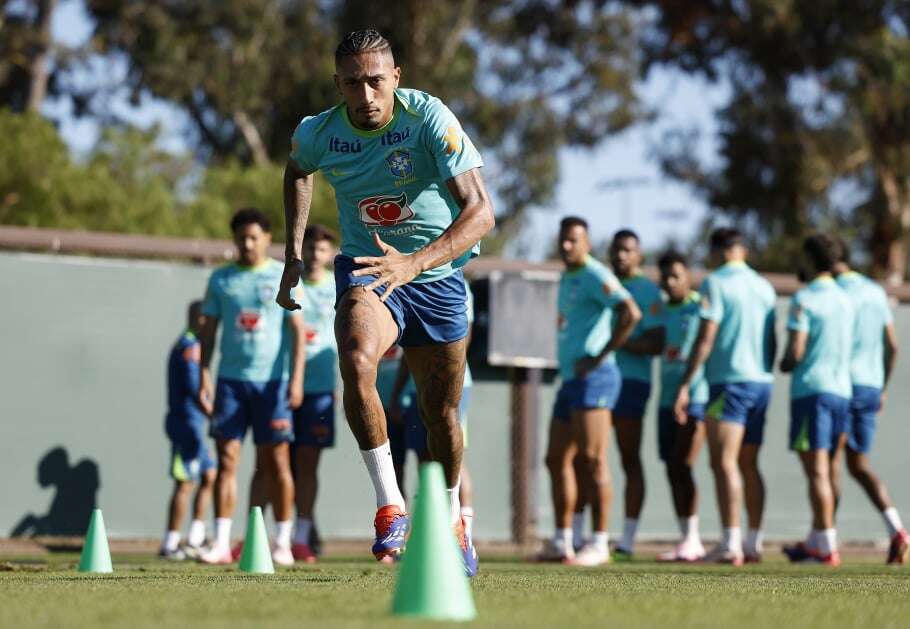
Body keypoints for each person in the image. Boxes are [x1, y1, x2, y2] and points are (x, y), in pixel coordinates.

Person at [276, 29, 495, 576]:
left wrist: (415, 262)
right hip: (369, 269)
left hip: (438, 277)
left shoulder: (429, 120)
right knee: (355, 357)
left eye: (377, 81)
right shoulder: (319, 133)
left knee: (439, 413)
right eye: (354, 83)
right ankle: (390, 506)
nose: (367, 95)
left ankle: (449, 519)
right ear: (338, 85)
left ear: (396, 77)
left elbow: (482, 213)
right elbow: (298, 171)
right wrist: (293, 255)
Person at [198, 208, 305, 567]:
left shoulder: (282, 276)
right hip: (230, 383)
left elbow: (297, 334)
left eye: (254, 237)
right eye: (241, 237)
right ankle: (222, 543)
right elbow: (208, 334)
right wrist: (204, 376)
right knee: (227, 462)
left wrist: (296, 380)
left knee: (278, 464)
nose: (247, 243)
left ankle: (283, 543)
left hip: (273, 386)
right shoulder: (221, 279)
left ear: (267, 239)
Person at [540, 216, 641, 566]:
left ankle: (599, 543)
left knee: (595, 460)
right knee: (556, 459)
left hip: (596, 379)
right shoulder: (568, 277)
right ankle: (563, 540)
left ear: (587, 243)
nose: (566, 246)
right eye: (563, 240)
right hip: (570, 381)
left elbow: (631, 312)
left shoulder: (597, 274)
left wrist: (600, 356)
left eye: (573, 240)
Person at [673, 228, 776, 565]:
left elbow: (705, 338)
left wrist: (686, 383)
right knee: (749, 463)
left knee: (724, 462)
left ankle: (730, 543)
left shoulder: (715, 283)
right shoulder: (764, 286)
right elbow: (771, 340)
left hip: (728, 383)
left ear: (718, 251)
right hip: (761, 383)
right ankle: (753, 542)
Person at [624, 251, 708, 562]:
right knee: (672, 468)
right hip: (666, 399)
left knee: (684, 464)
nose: (670, 282)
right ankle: (686, 538)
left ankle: (694, 537)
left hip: (695, 397)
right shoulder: (660, 310)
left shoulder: (700, 307)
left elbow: (706, 346)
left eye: (676, 276)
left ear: (688, 276)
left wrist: (688, 388)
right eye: (665, 277)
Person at [830, 241, 909, 564]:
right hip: (868, 387)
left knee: (828, 462)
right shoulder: (875, 292)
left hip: (839, 384)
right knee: (859, 465)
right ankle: (897, 529)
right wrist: (882, 386)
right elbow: (892, 346)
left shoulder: (832, 292)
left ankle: (825, 541)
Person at [780, 234, 854, 566]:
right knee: (831, 469)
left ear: (811, 260)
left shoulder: (805, 298)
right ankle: (822, 538)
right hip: (842, 392)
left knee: (817, 473)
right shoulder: (846, 299)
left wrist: (783, 362)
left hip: (812, 391)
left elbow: (795, 350)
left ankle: (825, 546)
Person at [608, 229, 661, 557]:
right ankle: (583, 535)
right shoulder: (603, 283)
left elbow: (656, 341)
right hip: (597, 379)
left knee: (629, 457)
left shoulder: (647, 290)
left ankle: (627, 538)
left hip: (631, 383)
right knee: (588, 458)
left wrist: (617, 341)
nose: (621, 256)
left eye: (628, 250)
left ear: (639, 255)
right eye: (617, 250)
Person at [289, 224, 339, 562]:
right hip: (282, 385)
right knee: (277, 461)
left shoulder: (339, 287)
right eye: (309, 248)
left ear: (330, 253)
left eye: (321, 249)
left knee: (307, 464)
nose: (314, 255)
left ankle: (303, 533)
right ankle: (274, 533)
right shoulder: (289, 284)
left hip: (320, 388)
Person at [159, 301, 216, 560]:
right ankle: (170, 543)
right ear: (200, 319)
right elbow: (197, 392)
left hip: (191, 424)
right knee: (186, 482)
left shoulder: (189, 344)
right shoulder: (190, 347)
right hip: (187, 425)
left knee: (209, 475)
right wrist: (218, 415)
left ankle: (195, 537)